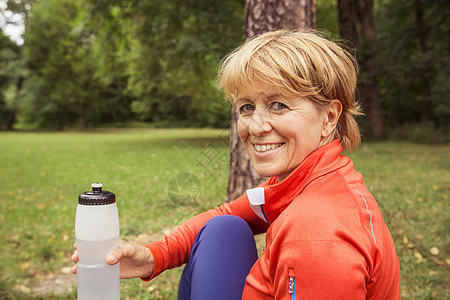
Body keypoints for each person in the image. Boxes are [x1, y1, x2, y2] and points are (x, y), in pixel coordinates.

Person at [72, 29, 401, 299]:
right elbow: (227, 215)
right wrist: (152, 257)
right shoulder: (302, 181)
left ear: (329, 117)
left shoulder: (317, 234)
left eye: (278, 105)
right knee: (223, 230)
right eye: (246, 107)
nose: (255, 127)